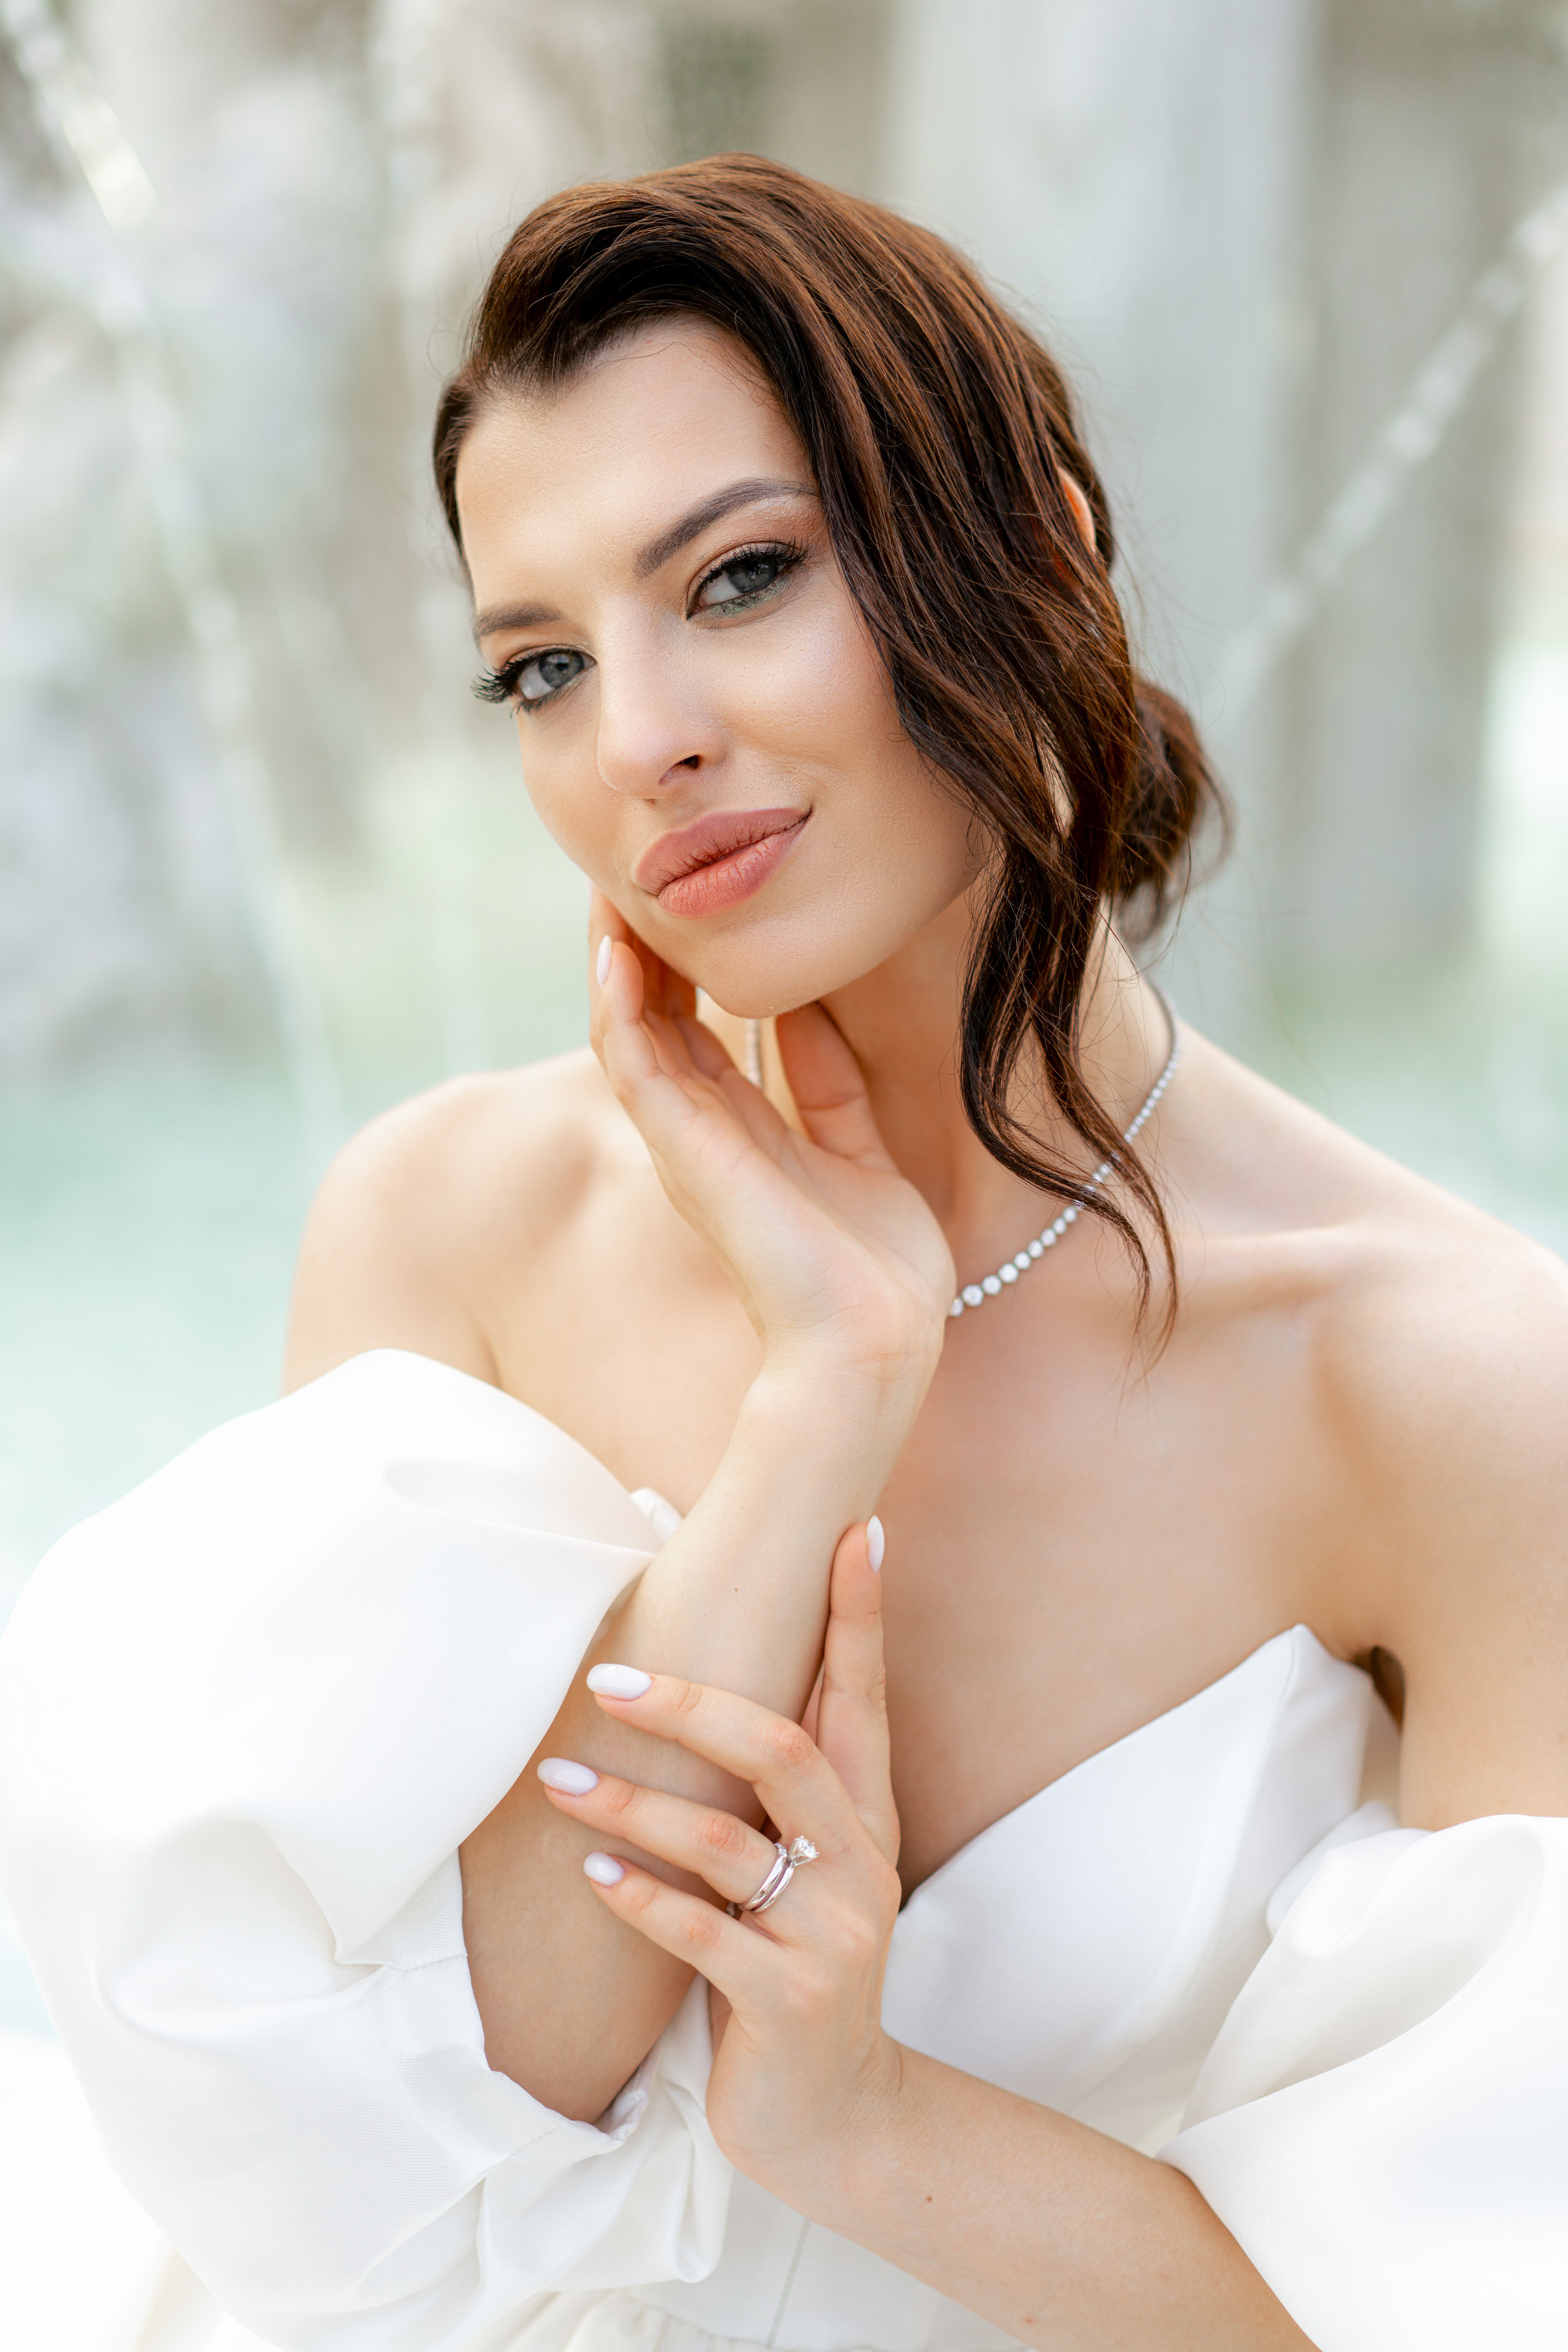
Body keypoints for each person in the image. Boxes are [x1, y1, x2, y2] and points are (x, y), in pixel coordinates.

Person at [2, 154, 1566, 2352]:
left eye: (737, 577)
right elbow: (408, 2169)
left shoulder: (1453, 1390)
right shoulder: (458, 1226)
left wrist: (858, 2124)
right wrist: (822, 1387)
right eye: (539, 665)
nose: (641, 738)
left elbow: (1452, 2312)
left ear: (1042, 539)